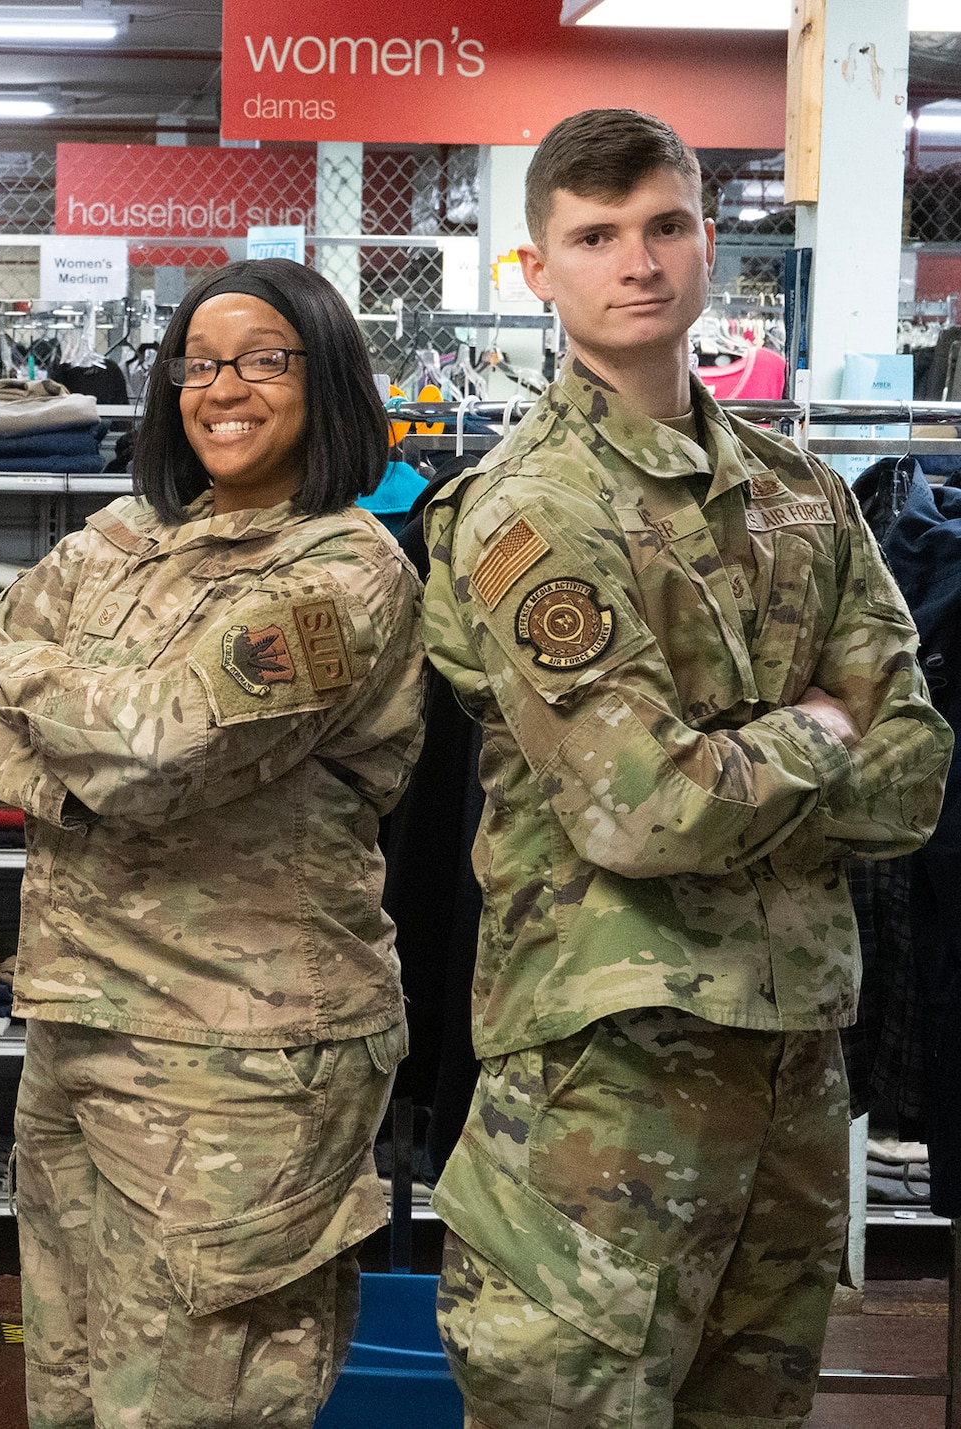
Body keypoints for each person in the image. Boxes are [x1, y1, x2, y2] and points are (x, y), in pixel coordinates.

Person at [422, 108, 954, 1426]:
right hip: (611, 1081)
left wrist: (758, 765)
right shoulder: (530, 508)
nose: (638, 262)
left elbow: (918, 772)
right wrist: (822, 724)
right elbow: (643, 809)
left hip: (793, 1067)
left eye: (664, 226)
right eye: (595, 237)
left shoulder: (802, 494)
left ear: (711, 247)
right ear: (538, 273)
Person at [0, 257, 426, 1428]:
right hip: (80, 1022)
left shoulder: (341, 572)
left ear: (326, 381)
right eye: (198, 363)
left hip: (242, 1058)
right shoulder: (122, 534)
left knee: (201, 1402)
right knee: (71, 1382)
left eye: (263, 359)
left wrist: (44, 687)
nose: (223, 388)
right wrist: (83, 773)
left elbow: (159, 750)